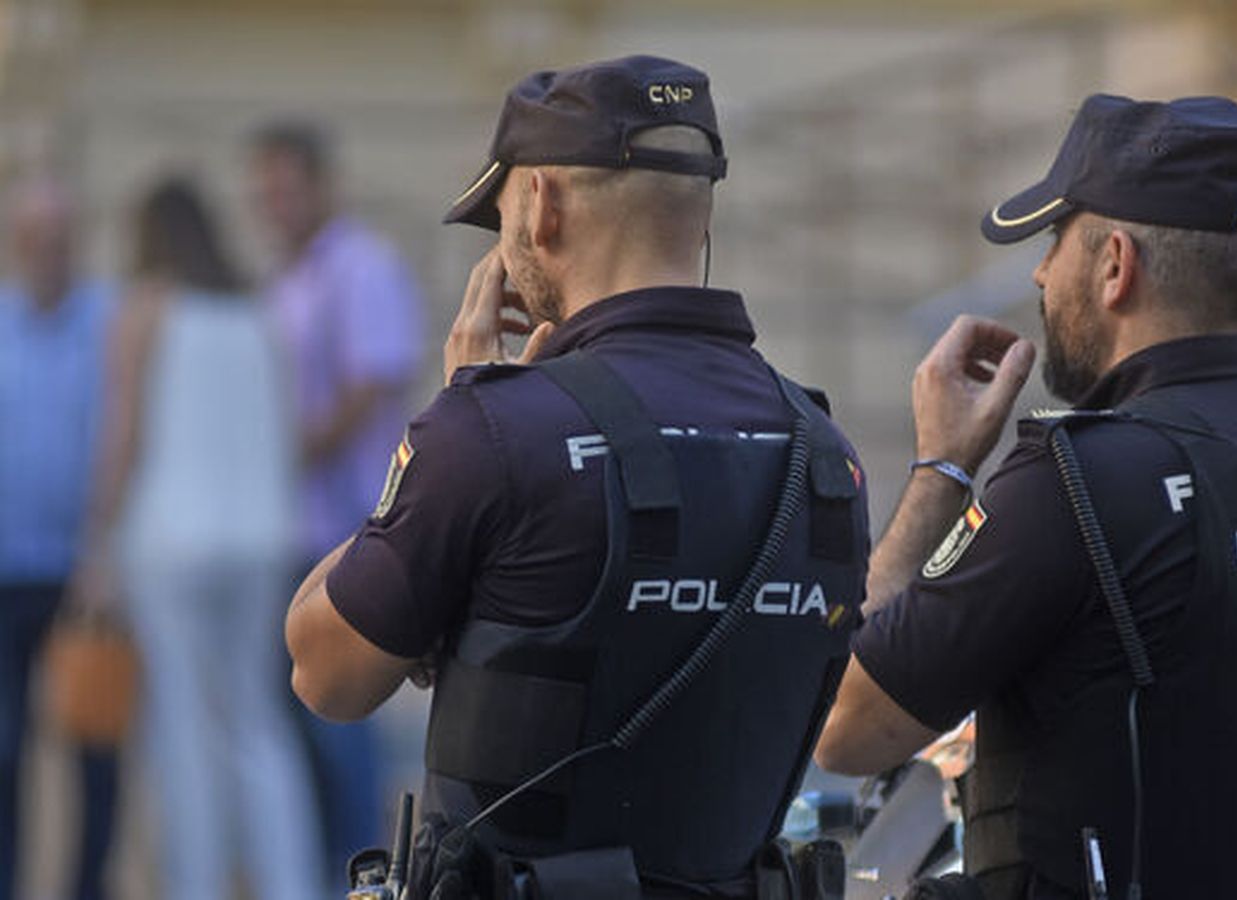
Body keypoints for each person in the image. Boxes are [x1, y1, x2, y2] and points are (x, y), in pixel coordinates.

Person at [814, 95, 1237, 900]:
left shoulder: (1075, 483)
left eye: (1053, 243)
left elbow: (848, 726)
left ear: (1115, 264)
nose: (1041, 273)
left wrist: (943, 468)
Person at [284, 55, 870, 899]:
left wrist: (457, 416)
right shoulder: (824, 453)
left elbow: (323, 672)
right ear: (699, 217)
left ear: (542, 204)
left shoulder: (492, 430)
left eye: (503, 214)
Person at [72, 177, 322, 899]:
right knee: (258, 721)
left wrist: (96, 543)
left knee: (182, 727)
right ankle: (290, 884)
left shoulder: (145, 307)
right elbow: (284, 429)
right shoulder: (258, 308)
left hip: (171, 544)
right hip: (261, 540)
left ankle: (198, 884)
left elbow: (122, 436)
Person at [251, 120, 422, 876]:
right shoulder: (285, 279)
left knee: (341, 725)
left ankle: (361, 875)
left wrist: (284, 451)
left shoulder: (361, 266)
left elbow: (371, 384)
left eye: (288, 188)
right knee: (297, 725)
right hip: (288, 531)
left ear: (322, 186)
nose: (274, 204)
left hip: (348, 531)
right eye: (265, 191)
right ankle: (323, 872)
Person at [0, 177, 119, 900]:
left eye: (59, 240)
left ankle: (87, 889)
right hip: (6, 574)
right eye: (33, 239)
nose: (47, 253)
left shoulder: (110, 323)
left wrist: (106, 553)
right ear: (15, 246)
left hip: (86, 578)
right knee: (3, 752)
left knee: (96, 747)